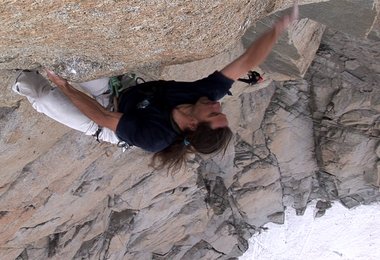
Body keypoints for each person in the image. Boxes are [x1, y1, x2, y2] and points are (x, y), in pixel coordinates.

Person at [12, 3, 298, 171]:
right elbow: (247, 61)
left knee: (40, 92)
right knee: (72, 60)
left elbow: (101, 118)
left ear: (190, 125)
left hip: (106, 123)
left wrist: (64, 86)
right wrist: (278, 29)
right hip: (120, 89)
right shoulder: (207, 95)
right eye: (219, 111)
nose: (217, 105)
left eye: (213, 114)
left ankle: (14, 76)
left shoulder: (154, 137)